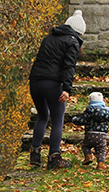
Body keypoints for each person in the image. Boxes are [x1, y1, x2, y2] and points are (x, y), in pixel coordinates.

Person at [28, 10, 85, 170]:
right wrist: (67, 89)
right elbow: (69, 66)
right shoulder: (72, 41)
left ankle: (35, 154)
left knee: (42, 116)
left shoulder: (49, 37)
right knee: (58, 118)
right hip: (52, 84)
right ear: (79, 32)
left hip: (35, 82)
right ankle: (54, 157)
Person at [71, 91, 109, 169]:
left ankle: (88, 156)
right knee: (101, 150)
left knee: (85, 145)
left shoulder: (89, 111)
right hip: (101, 135)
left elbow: (82, 120)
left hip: (89, 134)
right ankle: (100, 164)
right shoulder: (106, 111)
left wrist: (75, 119)